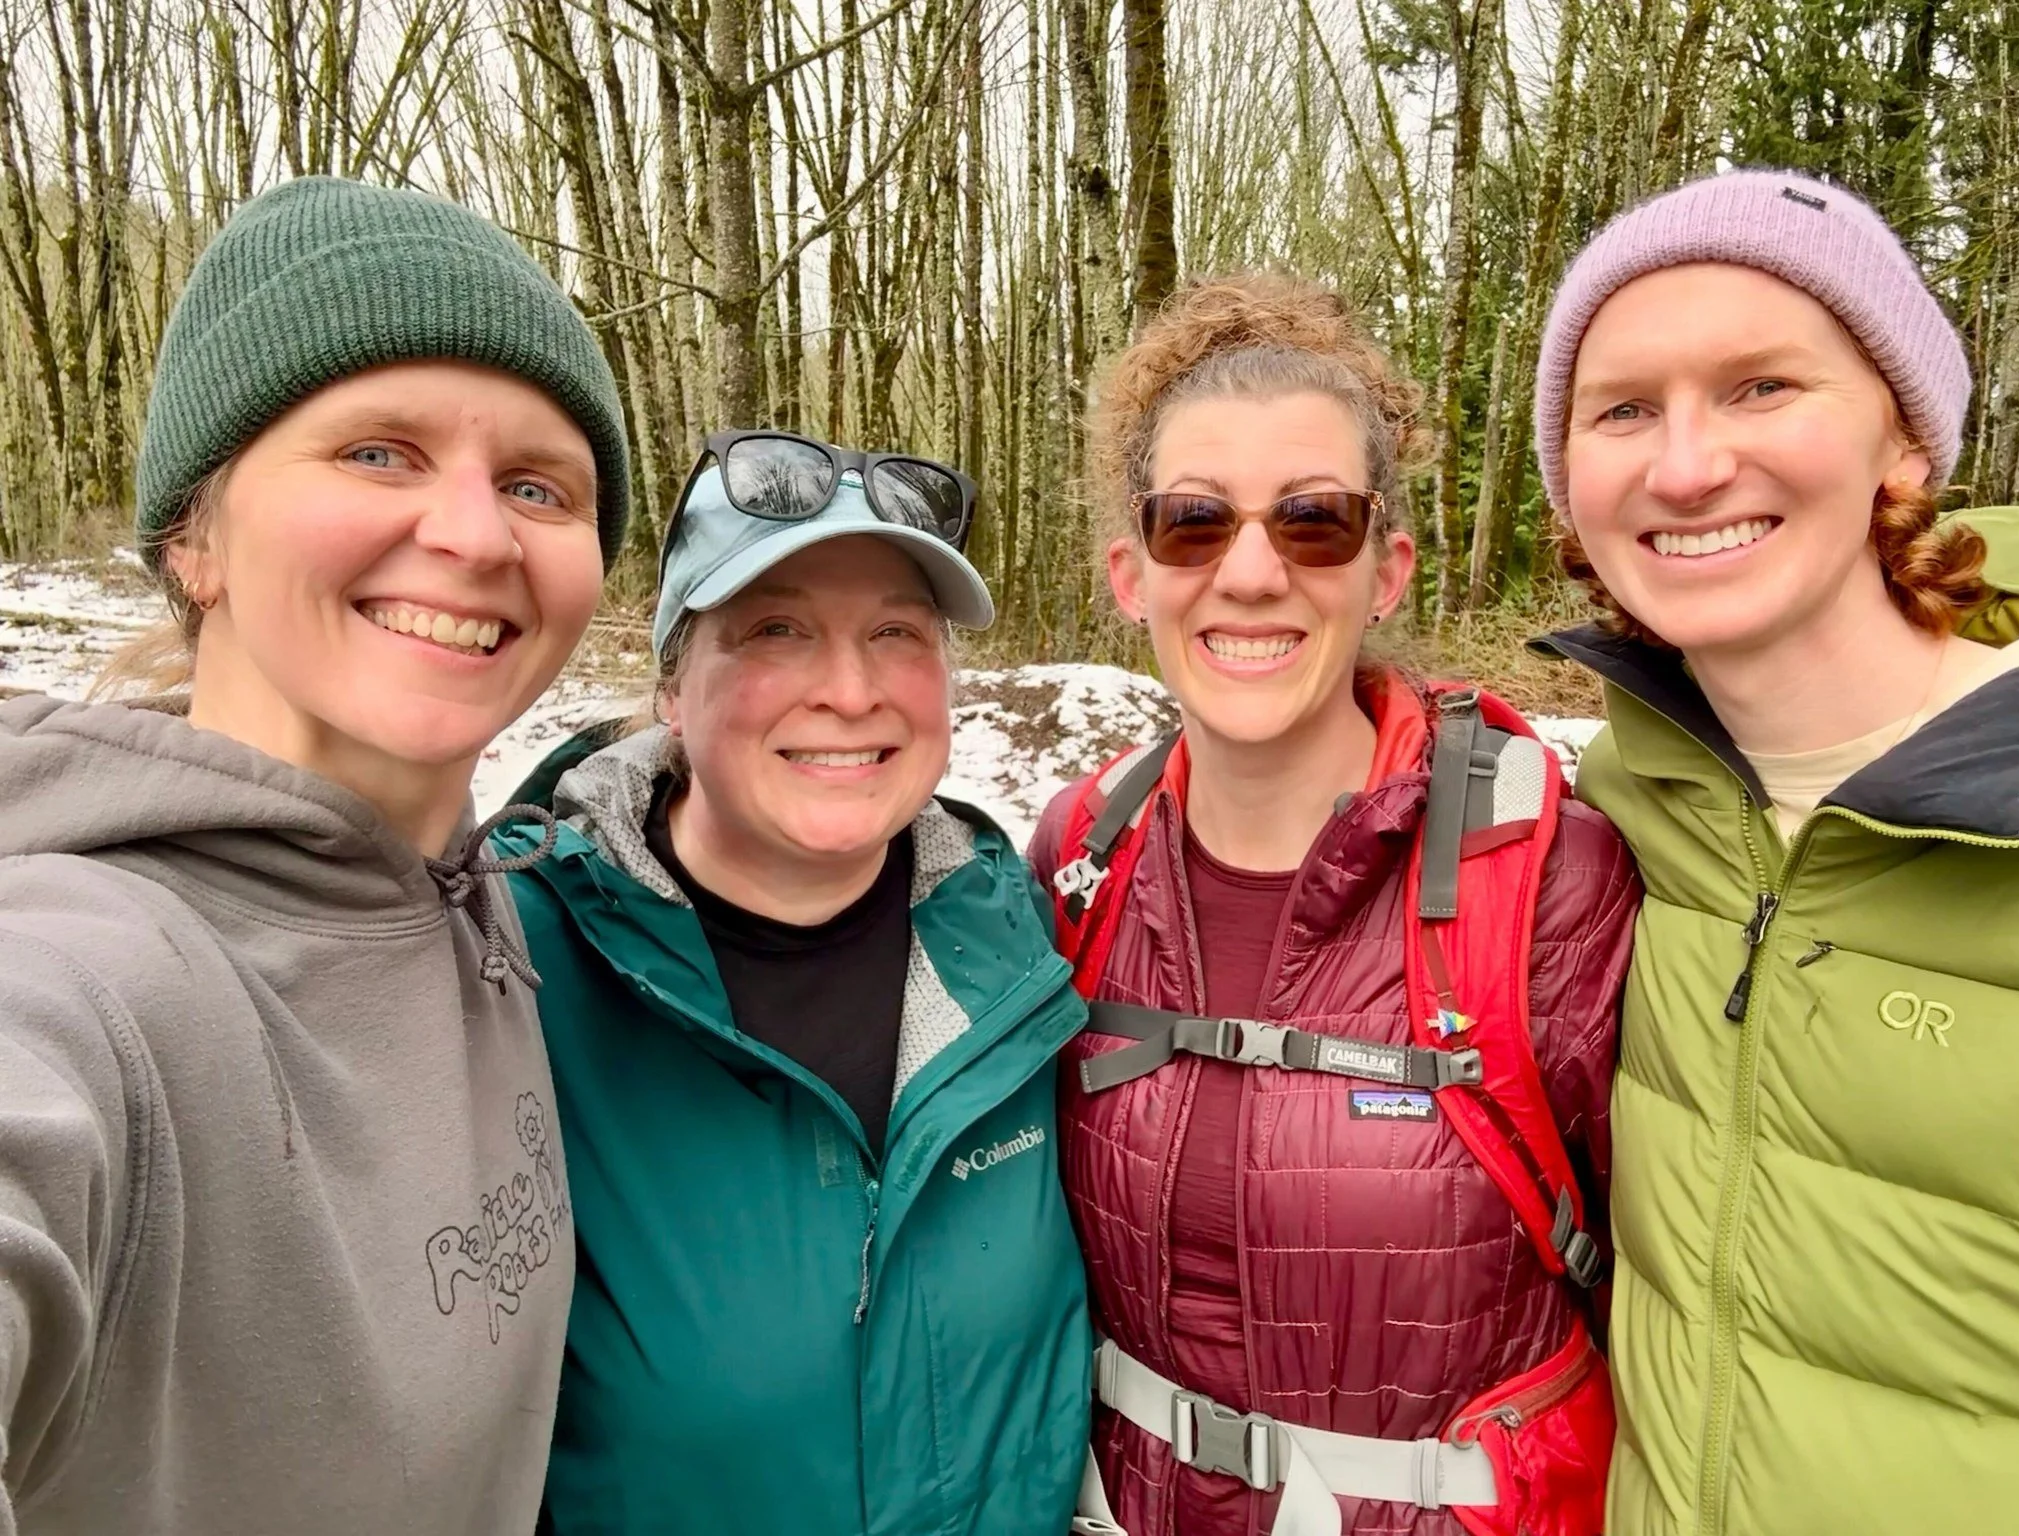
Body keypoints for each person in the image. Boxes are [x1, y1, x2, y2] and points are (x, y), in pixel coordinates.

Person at [0, 177, 630, 1533]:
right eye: (377, 454)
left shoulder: (485, 914)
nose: (472, 534)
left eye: (537, 482)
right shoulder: (82, 974)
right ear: (195, 535)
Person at [1028, 274, 1640, 1536]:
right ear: (1129, 573)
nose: (1249, 573)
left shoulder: (1544, 883)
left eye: (1311, 520)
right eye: (1194, 522)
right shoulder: (1080, 858)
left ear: (1386, 570)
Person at [1532, 169, 2019, 1534]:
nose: (1689, 464)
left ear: (1902, 443)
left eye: (1763, 386)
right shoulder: (1612, 815)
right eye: (1624, 408)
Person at [492, 431, 1094, 1536]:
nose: (850, 690)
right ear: (674, 683)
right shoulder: (511, 972)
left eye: (895, 633)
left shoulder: (1021, 947)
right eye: (776, 629)